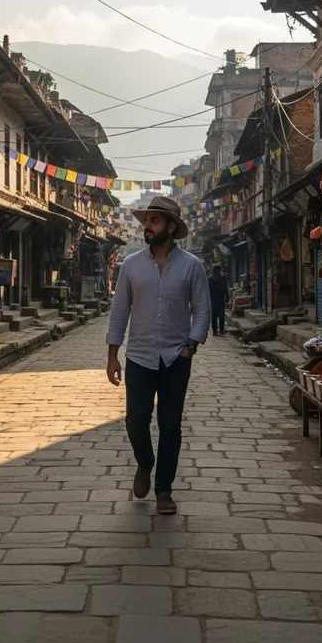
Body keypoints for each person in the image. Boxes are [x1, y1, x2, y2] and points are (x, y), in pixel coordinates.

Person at [106, 196, 211, 515]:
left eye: (154, 221)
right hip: (139, 356)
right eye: (145, 221)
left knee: (170, 426)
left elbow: (202, 310)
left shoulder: (192, 266)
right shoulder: (131, 265)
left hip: (176, 359)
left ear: (171, 226)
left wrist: (190, 347)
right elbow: (120, 310)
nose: (146, 227)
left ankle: (164, 490)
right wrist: (113, 355)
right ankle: (145, 461)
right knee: (135, 421)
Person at [207, 264, 229, 336]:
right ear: (219, 271)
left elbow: (206, 290)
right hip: (220, 299)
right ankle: (221, 330)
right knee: (221, 315)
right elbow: (225, 290)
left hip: (212, 299)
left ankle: (215, 330)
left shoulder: (209, 279)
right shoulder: (222, 279)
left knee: (213, 315)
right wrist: (227, 299)